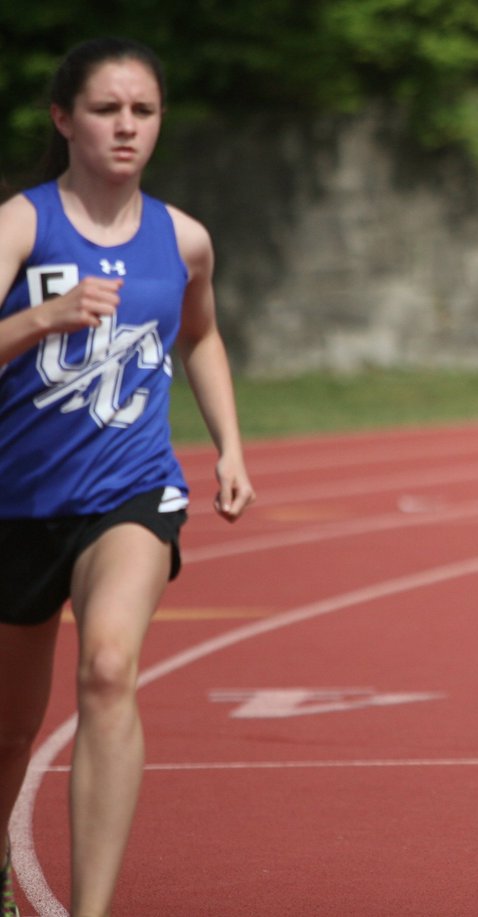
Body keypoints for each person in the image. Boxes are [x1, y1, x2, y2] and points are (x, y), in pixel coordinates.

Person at [0, 37, 255, 916]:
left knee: (108, 666)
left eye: (142, 111)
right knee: (8, 731)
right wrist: (43, 315)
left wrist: (228, 443)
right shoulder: (24, 224)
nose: (126, 127)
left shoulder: (183, 238)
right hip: (16, 501)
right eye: (107, 109)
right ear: (64, 118)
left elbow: (203, 336)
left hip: (131, 490)